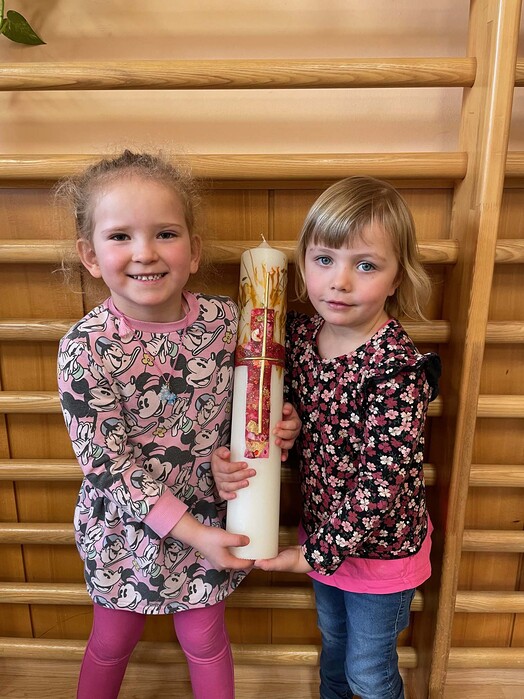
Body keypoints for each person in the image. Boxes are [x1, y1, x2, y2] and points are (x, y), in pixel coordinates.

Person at [56, 150, 300, 699]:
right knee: (112, 641)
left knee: (207, 641)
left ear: (194, 251)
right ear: (90, 255)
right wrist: (194, 533)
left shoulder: (227, 322)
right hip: (126, 530)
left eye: (165, 233)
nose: (145, 252)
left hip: (210, 516)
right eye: (120, 236)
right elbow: (108, 465)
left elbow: (252, 404)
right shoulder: (85, 348)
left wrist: (279, 424)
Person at [212, 176, 441, 699]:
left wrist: (314, 554)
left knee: (368, 671)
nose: (339, 282)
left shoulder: (396, 370)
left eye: (366, 265)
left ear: (397, 278)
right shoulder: (299, 335)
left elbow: (383, 481)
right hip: (324, 537)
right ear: (303, 263)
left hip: (381, 550)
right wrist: (286, 423)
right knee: (334, 649)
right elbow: (282, 407)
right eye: (323, 259)